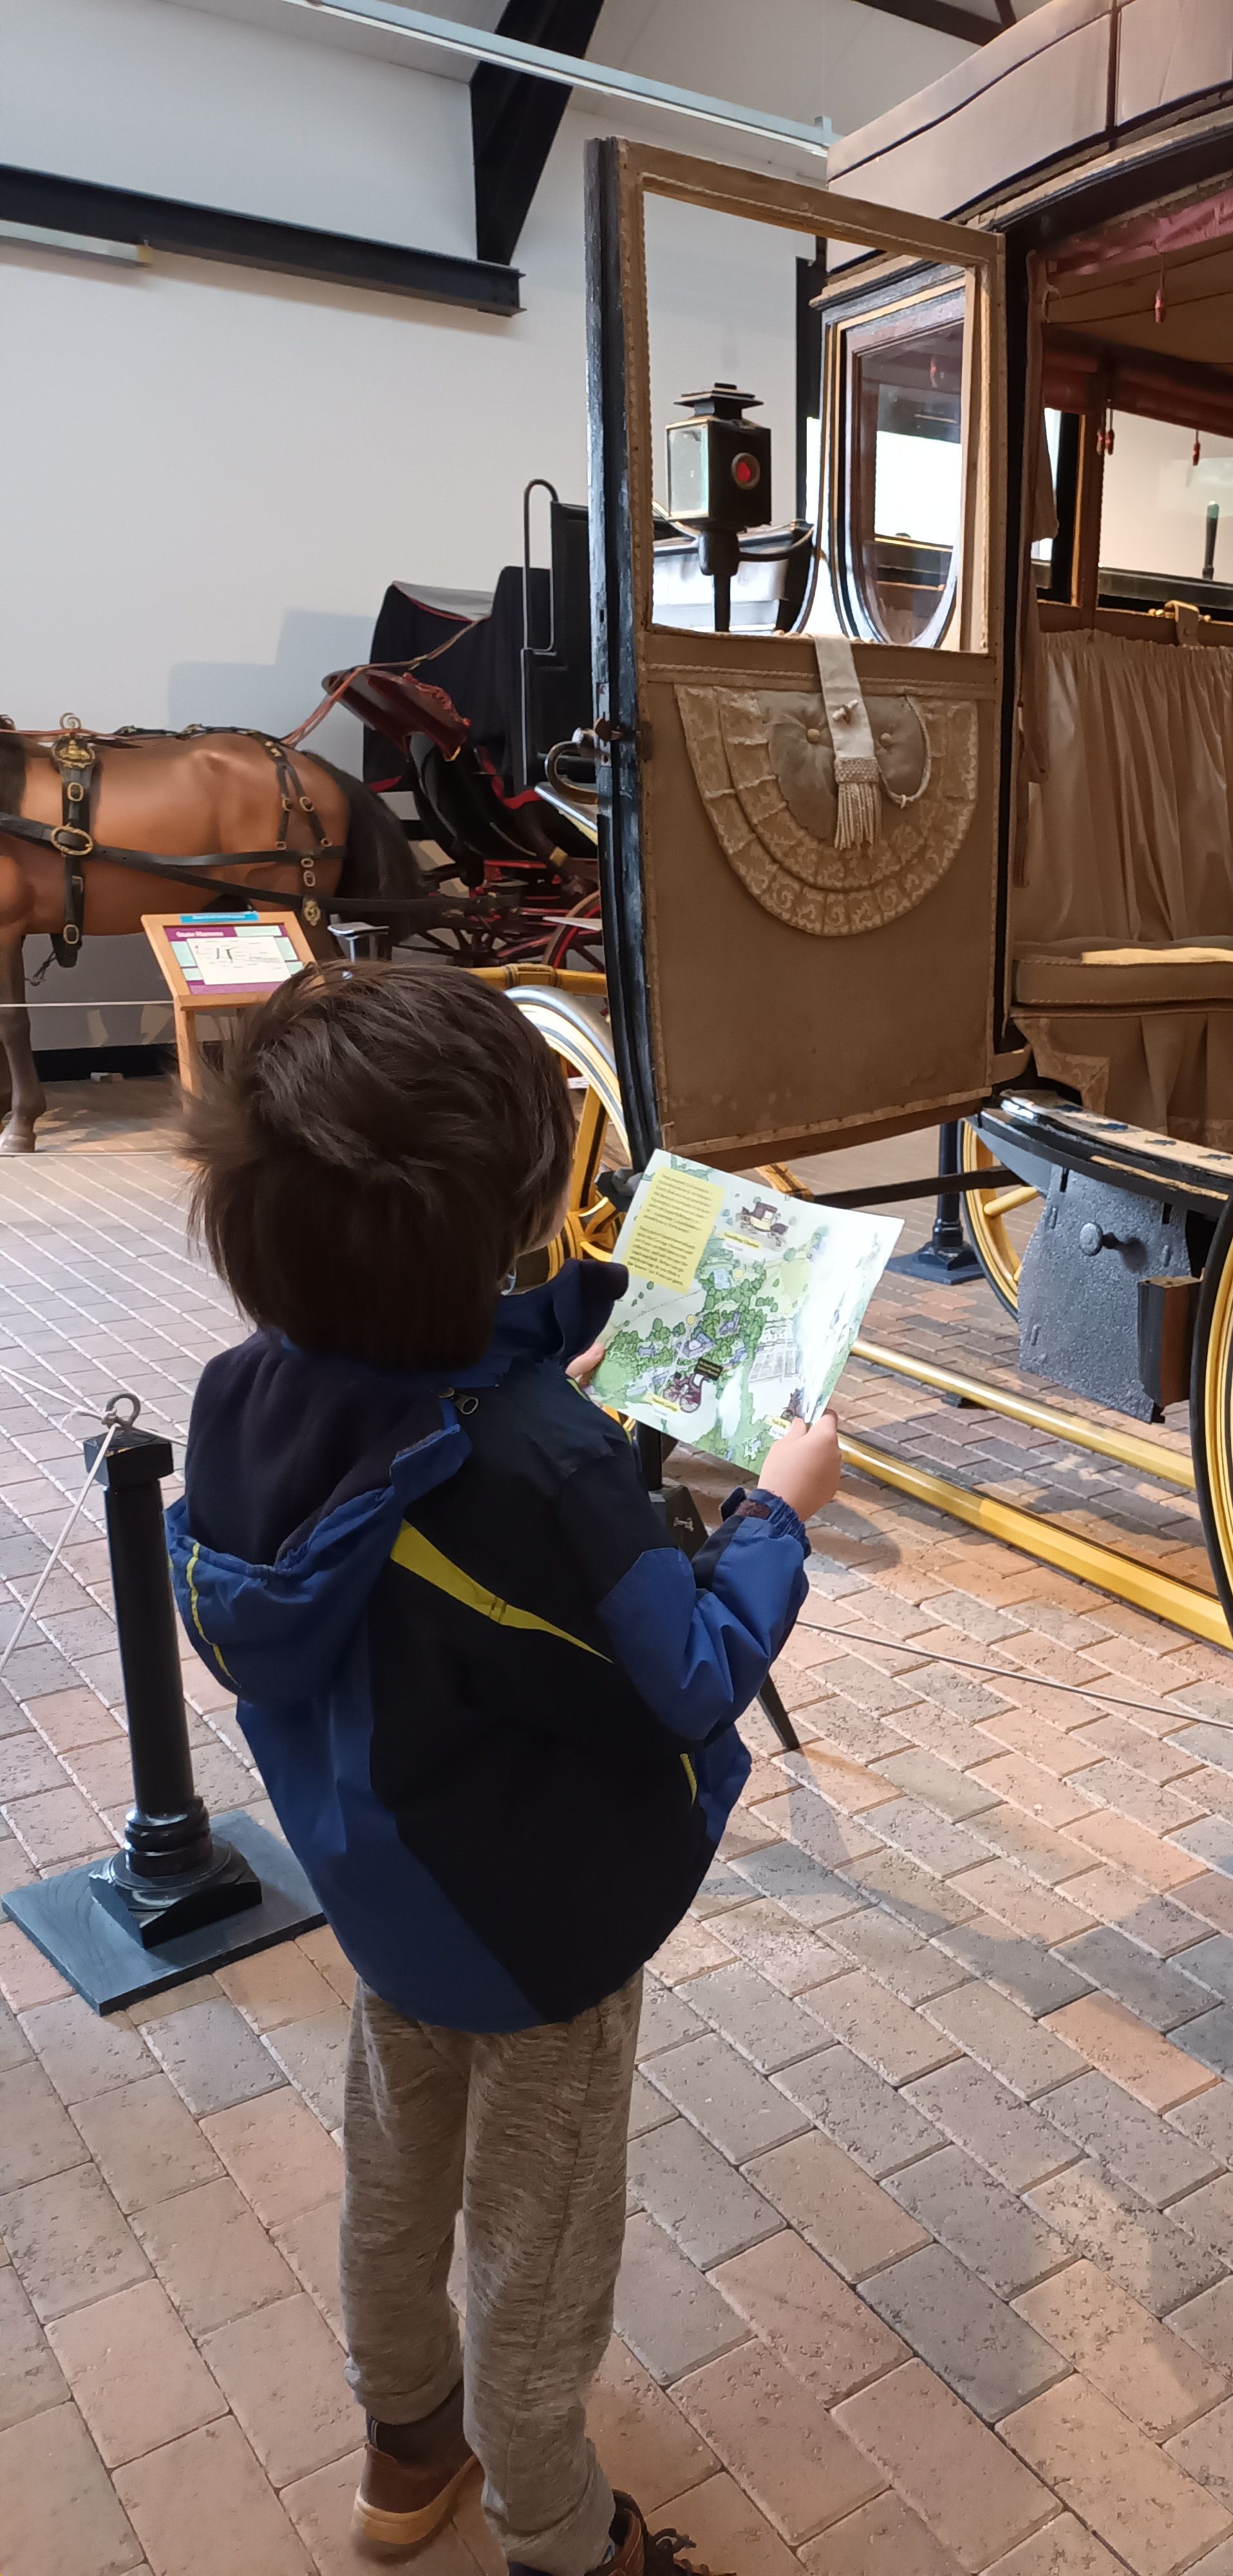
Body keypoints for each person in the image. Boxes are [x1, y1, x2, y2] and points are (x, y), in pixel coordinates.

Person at [165, 959, 841, 2576]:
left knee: (396, 2178)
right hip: (543, 1927)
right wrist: (782, 1512)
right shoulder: (543, 1470)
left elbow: (439, 1404)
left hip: (388, 1886)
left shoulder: (246, 1389)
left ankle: (409, 2458)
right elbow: (687, 1679)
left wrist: (564, 1342)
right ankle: (560, 2533)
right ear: (498, 1216)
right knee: (537, 2257)